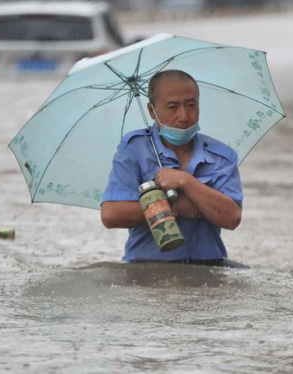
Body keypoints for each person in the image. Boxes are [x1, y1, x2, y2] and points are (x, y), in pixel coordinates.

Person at [101, 69, 244, 266]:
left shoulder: (222, 156)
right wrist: (177, 206)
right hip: (146, 266)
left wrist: (185, 181)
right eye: (172, 107)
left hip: (209, 265)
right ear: (152, 111)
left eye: (191, 105)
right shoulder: (134, 149)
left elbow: (232, 218)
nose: (184, 116)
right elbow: (111, 214)